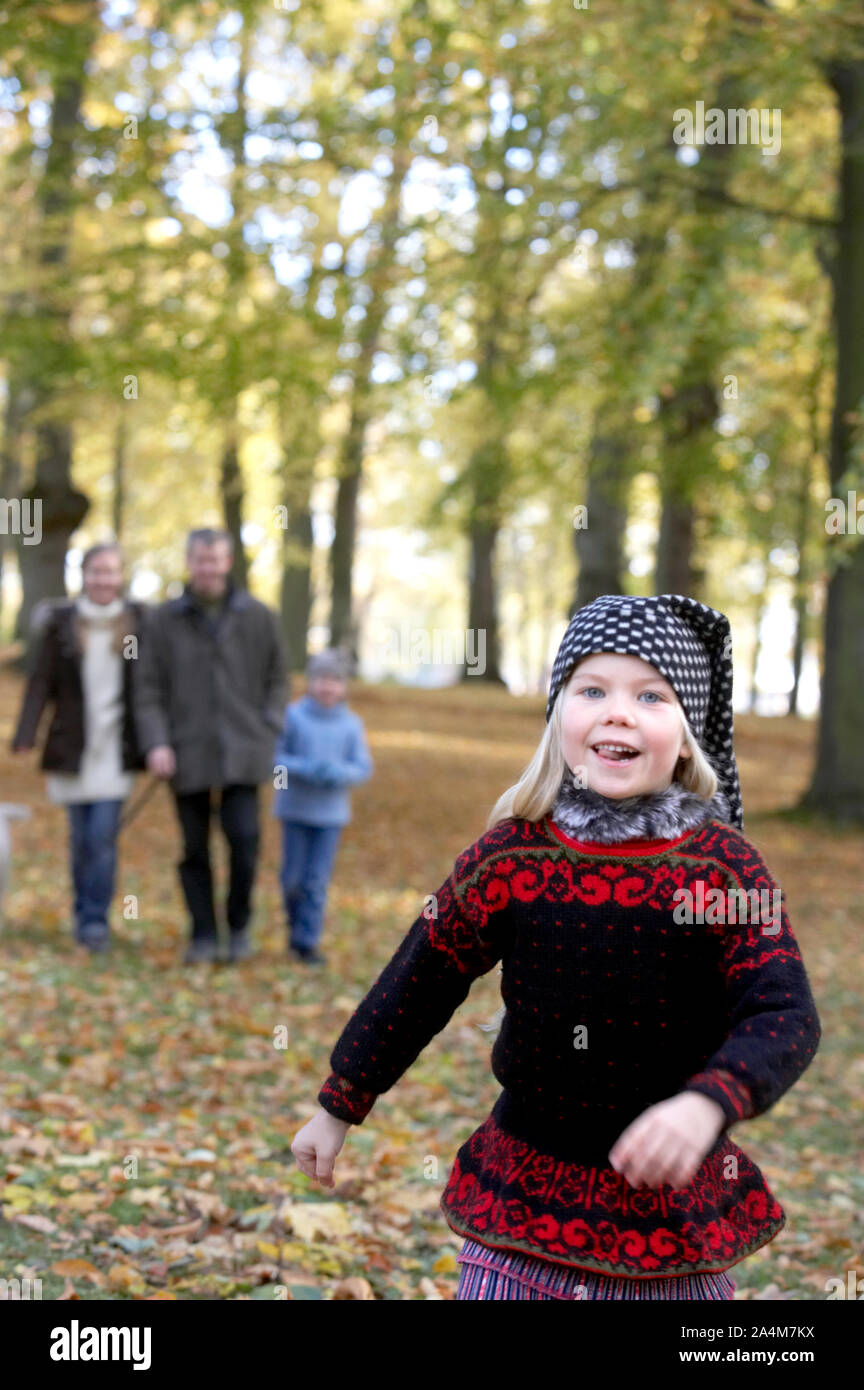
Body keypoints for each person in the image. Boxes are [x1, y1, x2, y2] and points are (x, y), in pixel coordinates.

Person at [290, 593, 822, 1300]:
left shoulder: (722, 870)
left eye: (652, 696)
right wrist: (340, 1101)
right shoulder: (511, 855)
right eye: (592, 689)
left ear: (688, 734)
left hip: (668, 1221)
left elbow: (784, 1012)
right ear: (559, 716)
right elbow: (420, 980)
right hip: (522, 1202)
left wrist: (708, 1102)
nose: (618, 711)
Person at [133, 528, 288, 964]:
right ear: (189, 562)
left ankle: (237, 928)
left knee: (245, 841)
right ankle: (203, 934)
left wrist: (268, 724)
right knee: (194, 848)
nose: (208, 568)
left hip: (244, 752)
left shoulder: (259, 616)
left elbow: (279, 677)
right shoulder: (163, 620)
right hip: (185, 753)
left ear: (228, 561)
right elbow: (147, 689)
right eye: (201, 560)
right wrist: (157, 743)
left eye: (216, 559)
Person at [10, 542, 148, 953]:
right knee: (80, 840)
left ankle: (94, 922)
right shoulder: (62, 623)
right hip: (72, 747)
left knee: (103, 838)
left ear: (120, 577)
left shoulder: (138, 623)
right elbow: (40, 681)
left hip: (116, 749)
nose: (103, 580)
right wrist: (25, 733)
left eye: (110, 572)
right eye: (95, 572)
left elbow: (153, 684)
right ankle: (81, 912)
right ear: (83, 576)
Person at [273, 649, 373, 966]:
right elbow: (275, 762)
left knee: (316, 881)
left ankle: (307, 941)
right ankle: (293, 923)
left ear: (344, 686)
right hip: (294, 811)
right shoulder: (292, 716)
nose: (328, 687)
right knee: (292, 880)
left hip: (330, 816)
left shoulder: (351, 725)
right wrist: (304, 768)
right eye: (321, 679)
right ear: (310, 681)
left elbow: (362, 767)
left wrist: (339, 773)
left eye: (335, 680)